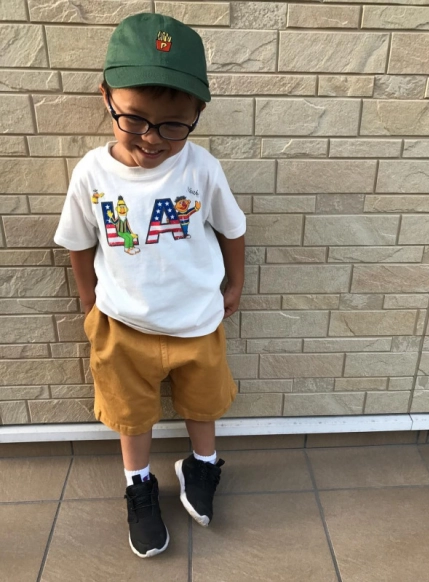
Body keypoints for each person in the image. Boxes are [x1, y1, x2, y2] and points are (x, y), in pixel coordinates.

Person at [54, 13, 246, 559]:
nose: (152, 138)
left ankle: (201, 465)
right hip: (121, 324)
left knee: (204, 402)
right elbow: (78, 240)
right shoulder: (92, 174)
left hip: (198, 320)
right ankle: (138, 485)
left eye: (173, 125)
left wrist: (235, 285)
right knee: (130, 412)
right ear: (106, 97)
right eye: (134, 119)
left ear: (197, 114)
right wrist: (88, 300)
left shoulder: (200, 168)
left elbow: (233, 228)